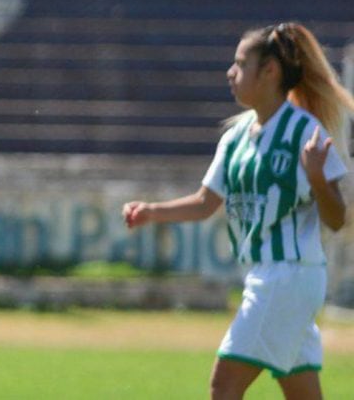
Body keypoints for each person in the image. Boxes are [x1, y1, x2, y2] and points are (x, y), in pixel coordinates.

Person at [122, 22, 353, 400]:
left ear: (270, 72)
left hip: (288, 276)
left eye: (240, 64)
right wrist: (151, 212)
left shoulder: (304, 133)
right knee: (302, 393)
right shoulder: (236, 137)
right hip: (270, 277)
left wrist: (316, 177)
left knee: (224, 385)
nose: (230, 73)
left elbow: (336, 218)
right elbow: (205, 202)